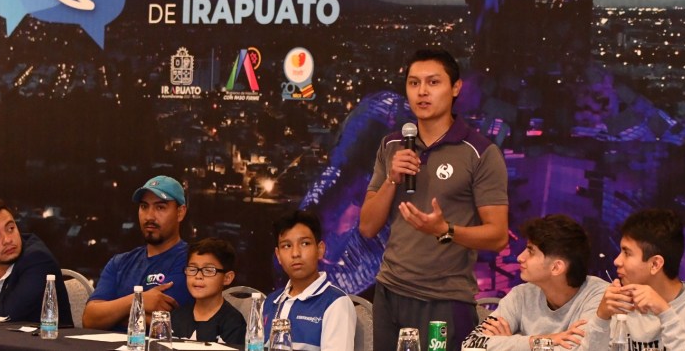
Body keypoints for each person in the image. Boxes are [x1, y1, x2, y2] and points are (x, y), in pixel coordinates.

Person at [360, 49, 510, 351]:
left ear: (455, 88)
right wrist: (392, 179)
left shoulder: (480, 152)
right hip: (389, 291)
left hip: (444, 299)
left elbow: (497, 236)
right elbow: (367, 226)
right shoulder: (392, 145)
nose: (422, 92)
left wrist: (445, 230)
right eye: (414, 83)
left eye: (433, 82)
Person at [584, 208, 685, 350]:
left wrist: (664, 311)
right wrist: (601, 317)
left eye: (627, 253)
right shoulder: (620, 302)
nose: (617, 261)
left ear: (655, 264)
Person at [462, 214, 607, 350]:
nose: (520, 257)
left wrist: (509, 343)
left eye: (531, 251)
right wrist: (540, 341)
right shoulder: (521, 295)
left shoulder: (599, 297)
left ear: (556, 267)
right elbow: (470, 345)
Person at [83, 175, 193, 330]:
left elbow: (162, 323)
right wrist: (138, 300)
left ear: (180, 212)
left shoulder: (191, 262)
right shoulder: (119, 262)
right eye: (144, 206)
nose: (149, 216)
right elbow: (90, 319)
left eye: (160, 207)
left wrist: (112, 314)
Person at [0, 199, 73, 324]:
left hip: (45, 336)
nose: (7, 240)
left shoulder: (38, 260)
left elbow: (9, 313)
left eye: (10, 228)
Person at [263, 209, 356, 351]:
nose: (295, 253)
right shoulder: (269, 302)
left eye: (305, 243)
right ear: (278, 255)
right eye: (287, 246)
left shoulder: (336, 303)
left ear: (320, 250)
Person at [171, 238, 246, 345]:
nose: (198, 276)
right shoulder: (176, 316)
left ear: (227, 278)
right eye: (192, 269)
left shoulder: (234, 323)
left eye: (208, 270)